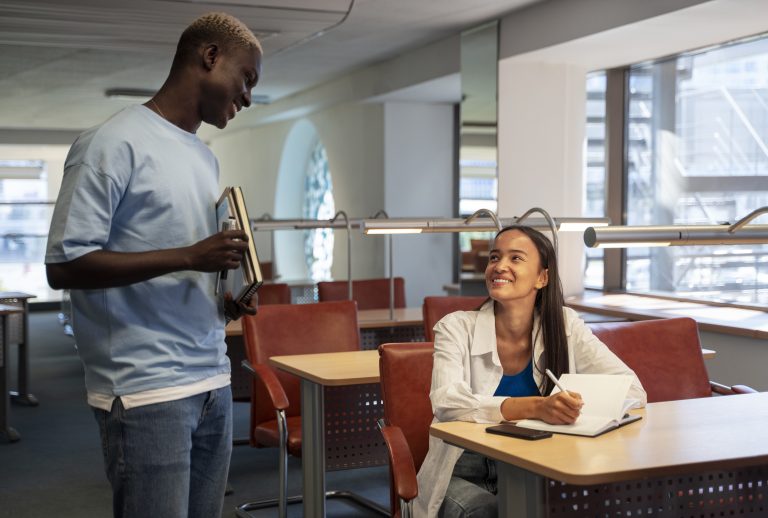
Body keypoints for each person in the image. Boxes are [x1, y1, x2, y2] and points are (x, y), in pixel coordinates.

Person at [44, 12, 262, 518]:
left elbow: (180, 260)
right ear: (209, 57)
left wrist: (221, 296)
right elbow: (66, 264)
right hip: (145, 388)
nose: (248, 96)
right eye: (245, 78)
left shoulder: (203, 157)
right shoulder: (110, 143)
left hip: (211, 378)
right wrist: (191, 256)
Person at [414, 225, 647, 517]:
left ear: (542, 277)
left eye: (515, 259)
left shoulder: (564, 324)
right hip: (464, 469)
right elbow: (447, 402)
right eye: (494, 257)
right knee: (487, 512)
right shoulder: (456, 326)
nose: (499, 266)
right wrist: (538, 407)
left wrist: (573, 407)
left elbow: (633, 390)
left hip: (537, 467)